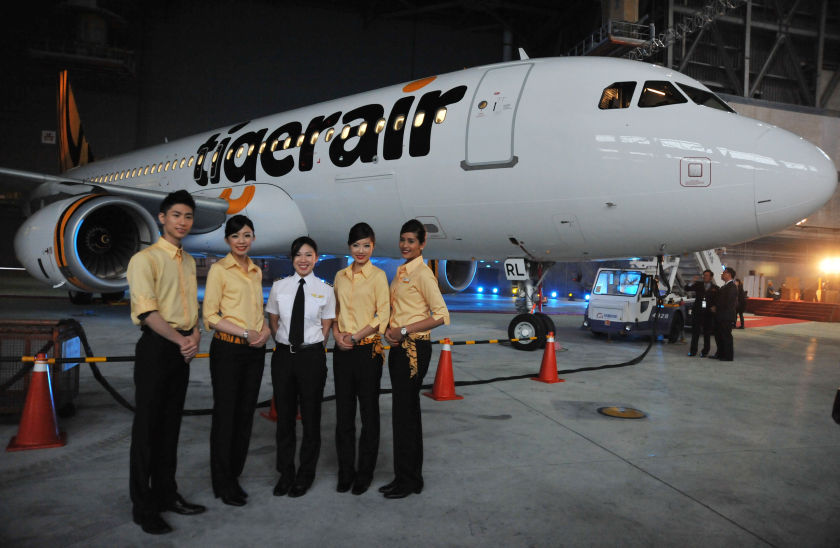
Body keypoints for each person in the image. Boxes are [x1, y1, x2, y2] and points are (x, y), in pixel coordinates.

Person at [126, 189, 205, 535]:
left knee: (171, 428)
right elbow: (147, 311)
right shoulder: (145, 260)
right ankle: (143, 507)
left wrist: (196, 335)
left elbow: (192, 309)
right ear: (162, 218)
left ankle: (166, 494)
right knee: (147, 431)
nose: (183, 222)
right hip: (158, 349)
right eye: (176, 215)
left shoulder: (188, 261)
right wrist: (180, 340)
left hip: (182, 349)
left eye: (188, 216)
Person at [203, 215, 271, 507]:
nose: (241, 241)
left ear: (253, 237)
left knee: (245, 416)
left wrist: (266, 330)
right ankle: (222, 481)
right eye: (235, 236)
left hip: (254, 352)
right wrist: (246, 332)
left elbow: (259, 311)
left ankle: (234, 475)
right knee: (226, 416)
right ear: (227, 241)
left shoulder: (255, 271)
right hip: (228, 351)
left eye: (246, 235)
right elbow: (211, 316)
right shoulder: (220, 270)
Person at [380, 220, 450, 499]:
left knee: (405, 415)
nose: (405, 245)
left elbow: (441, 314)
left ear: (422, 244)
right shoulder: (401, 272)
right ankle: (408, 477)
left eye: (411, 241)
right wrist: (389, 331)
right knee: (404, 414)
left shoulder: (422, 273)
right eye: (403, 240)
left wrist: (404, 330)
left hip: (414, 350)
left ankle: (407, 480)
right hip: (400, 346)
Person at [266, 236, 335, 498]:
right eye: (298, 255)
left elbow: (326, 326)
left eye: (308, 254)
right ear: (292, 258)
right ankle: (285, 474)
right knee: (284, 419)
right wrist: (284, 342)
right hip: (284, 357)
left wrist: (310, 345)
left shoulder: (325, 290)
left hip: (311, 358)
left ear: (316, 258)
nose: (303, 260)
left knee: (311, 418)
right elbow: (274, 321)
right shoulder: (279, 287)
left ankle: (305, 475)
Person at [332, 222, 390, 495]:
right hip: (342, 352)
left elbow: (382, 316)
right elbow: (334, 310)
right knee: (343, 416)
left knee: (369, 416)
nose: (361, 250)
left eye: (366, 245)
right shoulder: (340, 276)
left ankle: (364, 473)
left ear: (373, 246)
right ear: (349, 247)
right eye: (356, 245)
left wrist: (354, 337)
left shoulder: (378, 277)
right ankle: (346, 472)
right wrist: (336, 335)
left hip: (368, 351)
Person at [685, 269, 717, 357]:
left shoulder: (715, 288)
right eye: (704, 275)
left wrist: (715, 306)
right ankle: (693, 351)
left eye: (707, 275)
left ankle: (705, 351)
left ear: (711, 277)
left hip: (708, 313)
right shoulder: (698, 285)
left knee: (707, 333)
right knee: (695, 332)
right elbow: (687, 288)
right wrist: (692, 281)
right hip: (697, 311)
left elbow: (717, 300)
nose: (705, 277)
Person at [711, 267, 738, 361]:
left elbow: (728, 302)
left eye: (724, 273)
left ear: (729, 274)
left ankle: (728, 356)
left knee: (726, 336)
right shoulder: (724, 286)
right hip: (721, 315)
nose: (722, 274)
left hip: (726, 316)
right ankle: (720, 353)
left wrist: (716, 307)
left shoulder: (732, 287)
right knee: (719, 336)